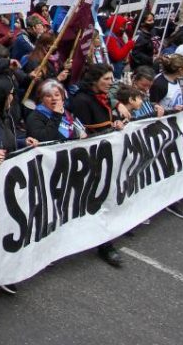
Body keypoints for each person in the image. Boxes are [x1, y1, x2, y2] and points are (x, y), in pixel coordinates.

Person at [68, 64, 126, 267]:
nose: (111, 83)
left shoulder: (102, 98)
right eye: (107, 79)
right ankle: (105, 244)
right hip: (89, 160)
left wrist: (116, 123)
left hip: (104, 156)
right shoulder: (82, 101)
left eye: (111, 79)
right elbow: (82, 133)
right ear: (94, 80)